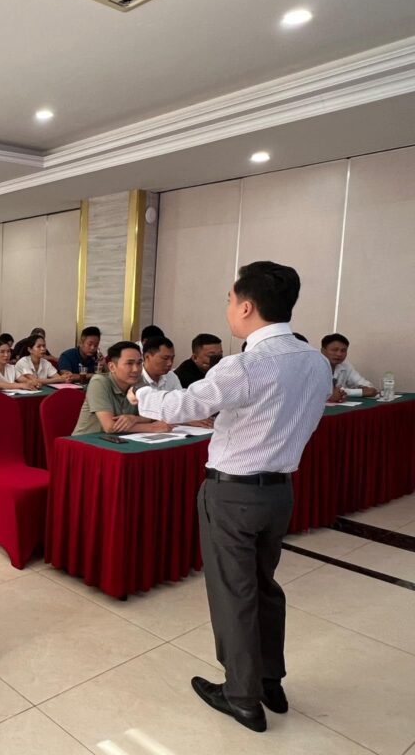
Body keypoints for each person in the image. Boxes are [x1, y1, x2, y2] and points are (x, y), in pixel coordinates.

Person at [129, 261, 331, 733]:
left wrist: (141, 395)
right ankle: (269, 680)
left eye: (229, 300)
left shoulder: (245, 364)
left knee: (234, 593)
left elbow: (182, 404)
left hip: (234, 493)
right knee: (264, 586)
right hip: (280, 492)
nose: (227, 308)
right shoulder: (315, 361)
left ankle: (241, 696)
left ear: (246, 306)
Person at [72, 342, 172, 435]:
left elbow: (155, 414)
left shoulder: (139, 381)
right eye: (129, 363)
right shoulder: (99, 382)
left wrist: (135, 419)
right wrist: (151, 428)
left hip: (120, 440)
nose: (136, 369)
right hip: (86, 443)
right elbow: (110, 427)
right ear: (112, 367)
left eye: (139, 363)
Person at [141, 337, 215, 428]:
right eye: (165, 358)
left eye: (172, 358)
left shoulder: (171, 376)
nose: (170, 363)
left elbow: (182, 406)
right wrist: (185, 420)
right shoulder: (135, 378)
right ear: (147, 357)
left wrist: (188, 418)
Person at [321, 333, 378, 399]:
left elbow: (370, 389)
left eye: (343, 351)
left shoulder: (346, 366)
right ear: (323, 351)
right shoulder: (314, 366)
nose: (339, 354)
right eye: (334, 350)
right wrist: (360, 392)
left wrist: (343, 392)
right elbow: (322, 392)